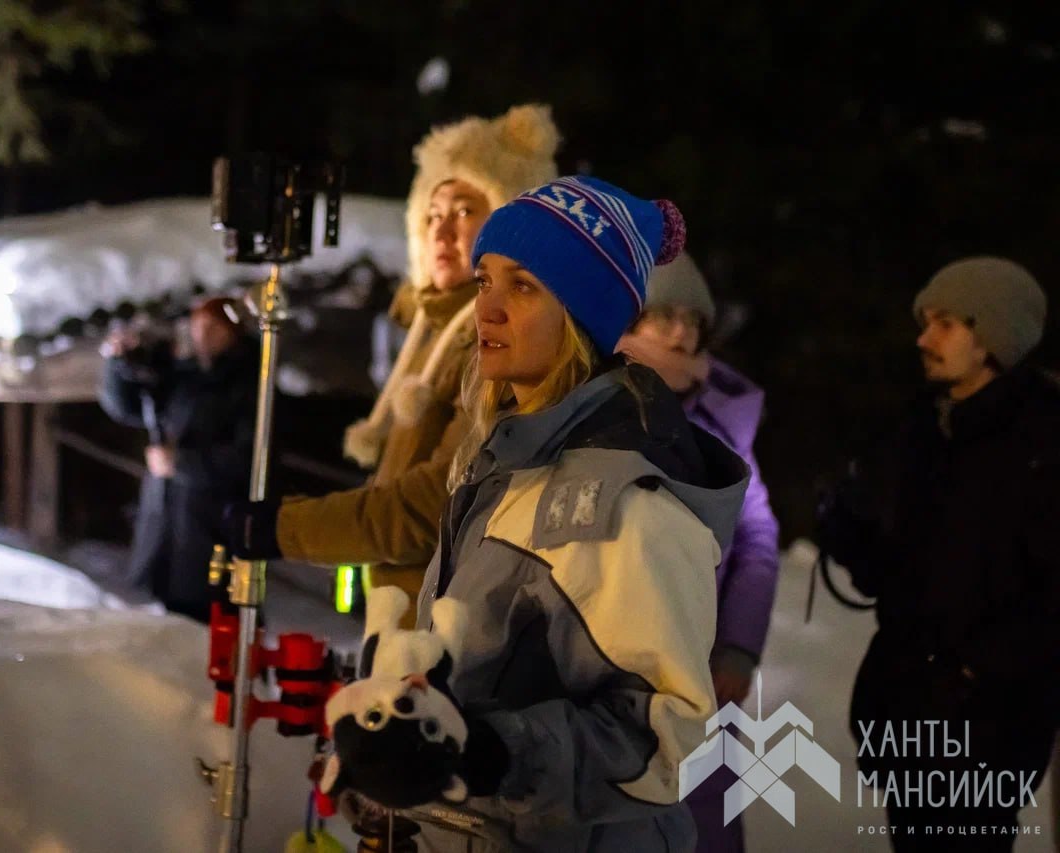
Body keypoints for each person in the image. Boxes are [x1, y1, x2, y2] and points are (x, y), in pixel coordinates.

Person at [330, 176, 751, 851]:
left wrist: (487, 755)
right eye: (484, 279)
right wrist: (401, 757)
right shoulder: (496, 456)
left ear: (582, 314)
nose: (486, 309)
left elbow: (661, 740)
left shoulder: (625, 499)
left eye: (522, 286)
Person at [215, 105, 560, 625]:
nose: (441, 232)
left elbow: (433, 507)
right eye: (431, 214)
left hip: (450, 636)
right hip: (404, 618)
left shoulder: (502, 346)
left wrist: (285, 529)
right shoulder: (436, 331)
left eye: (465, 210)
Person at [819, 257, 1059, 849]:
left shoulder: (1044, 444)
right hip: (909, 714)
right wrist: (851, 533)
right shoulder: (925, 429)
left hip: (990, 730)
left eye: (946, 323)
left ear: (995, 337)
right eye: (926, 322)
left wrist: (974, 669)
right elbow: (901, 576)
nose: (924, 338)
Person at [615, 254, 780, 853]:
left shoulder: (722, 423)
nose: (682, 333)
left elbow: (758, 535)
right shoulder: (597, 405)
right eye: (664, 316)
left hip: (701, 677)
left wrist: (737, 646)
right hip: (609, 682)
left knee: (702, 830)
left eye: (693, 320)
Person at [98, 296, 259, 622]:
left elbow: (248, 458)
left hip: (210, 527)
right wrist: (118, 365)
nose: (203, 335)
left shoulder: (247, 386)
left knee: (206, 619)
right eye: (198, 326)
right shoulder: (184, 378)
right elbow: (127, 406)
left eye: (214, 327)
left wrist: (182, 464)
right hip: (165, 522)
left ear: (233, 332)